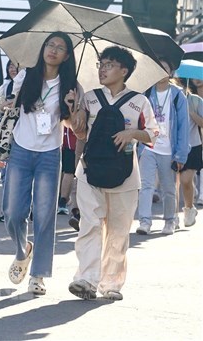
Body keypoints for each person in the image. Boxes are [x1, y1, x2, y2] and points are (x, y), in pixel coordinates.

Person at [67, 46, 159, 301]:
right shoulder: (90, 97)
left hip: (126, 175)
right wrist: (75, 111)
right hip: (89, 170)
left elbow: (153, 133)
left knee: (118, 231)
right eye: (100, 64)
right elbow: (81, 134)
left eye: (108, 65)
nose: (102, 69)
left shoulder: (139, 101)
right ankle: (86, 278)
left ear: (124, 70)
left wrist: (132, 133)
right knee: (90, 224)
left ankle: (111, 283)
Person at [0, 32, 78, 296]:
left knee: (44, 216)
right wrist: (8, 104)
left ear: (66, 56)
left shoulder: (71, 86)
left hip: (50, 154)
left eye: (60, 47)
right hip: (20, 148)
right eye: (50, 45)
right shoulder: (26, 75)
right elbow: (8, 106)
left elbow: (75, 126)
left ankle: (38, 275)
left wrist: (72, 107)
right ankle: (22, 250)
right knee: (12, 212)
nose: (53, 50)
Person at [135, 59, 189, 235]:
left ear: (170, 73)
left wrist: (181, 155)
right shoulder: (146, 93)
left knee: (168, 188)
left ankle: (170, 220)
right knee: (145, 185)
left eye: (164, 68)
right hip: (149, 146)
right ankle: (144, 222)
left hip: (169, 149)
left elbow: (183, 126)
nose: (160, 71)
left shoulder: (177, 95)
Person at [0, 60, 22, 222]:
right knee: (6, 175)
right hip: (7, 136)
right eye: (10, 66)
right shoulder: (5, 88)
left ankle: (23, 209)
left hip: (26, 135)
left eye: (15, 67)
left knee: (24, 176)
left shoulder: (32, 85)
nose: (12, 69)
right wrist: (2, 107)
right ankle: (6, 210)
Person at [178, 77, 202, 227]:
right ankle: (172, 216)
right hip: (173, 147)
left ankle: (189, 208)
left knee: (186, 181)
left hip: (193, 146)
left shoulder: (195, 100)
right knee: (171, 183)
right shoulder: (170, 98)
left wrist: (192, 113)